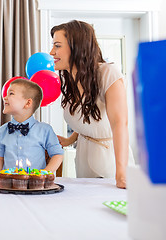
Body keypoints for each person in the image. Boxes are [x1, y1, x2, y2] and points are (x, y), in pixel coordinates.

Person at [49, 20, 135, 189]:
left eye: (57, 46)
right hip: (83, 157)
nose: (52, 52)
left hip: (109, 160)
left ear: (77, 46)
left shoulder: (108, 74)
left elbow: (119, 124)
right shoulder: (71, 79)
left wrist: (122, 172)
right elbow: (88, 117)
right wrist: (70, 139)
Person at [0, 79, 63, 179]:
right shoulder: (3, 130)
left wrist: (44, 173)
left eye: (11, 93)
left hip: (35, 186)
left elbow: (58, 154)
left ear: (28, 103)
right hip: (9, 186)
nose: (4, 97)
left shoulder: (45, 130)